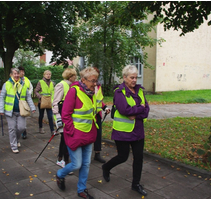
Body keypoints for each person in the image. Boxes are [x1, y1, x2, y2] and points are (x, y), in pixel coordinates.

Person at [102, 65, 150, 196]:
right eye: (131, 77)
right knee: (123, 157)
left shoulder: (139, 91)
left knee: (138, 158)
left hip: (138, 130)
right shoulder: (119, 92)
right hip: (123, 131)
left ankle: (136, 184)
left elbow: (146, 110)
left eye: (136, 77)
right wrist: (139, 108)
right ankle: (106, 167)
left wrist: (136, 112)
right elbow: (124, 110)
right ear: (124, 77)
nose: (134, 80)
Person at [56, 67, 99, 199]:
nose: (95, 84)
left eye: (96, 81)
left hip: (88, 134)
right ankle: (60, 174)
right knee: (77, 164)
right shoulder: (73, 91)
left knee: (86, 164)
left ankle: (81, 189)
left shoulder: (91, 93)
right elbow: (66, 114)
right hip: (75, 135)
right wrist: (71, 132)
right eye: (92, 81)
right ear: (83, 80)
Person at [0, 68, 36, 153]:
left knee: (21, 128)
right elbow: (2, 98)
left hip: (21, 111)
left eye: (17, 74)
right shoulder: (7, 84)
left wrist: (32, 107)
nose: (16, 75)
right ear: (11, 75)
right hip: (10, 111)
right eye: (14, 74)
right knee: (12, 128)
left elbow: (28, 97)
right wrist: (1, 109)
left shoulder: (23, 85)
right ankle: (14, 145)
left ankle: (16, 139)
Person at [52, 68, 77, 168]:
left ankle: (62, 158)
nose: (76, 77)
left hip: (68, 116)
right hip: (61, 116)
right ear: (71, 76)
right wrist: (58, 119)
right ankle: (63, 160)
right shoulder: (61, 85)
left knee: (66, 138)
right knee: (65, 138)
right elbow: (55, 102)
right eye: (75, 75)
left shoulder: (71, 86)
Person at [93, 67, 111, 163]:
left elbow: (100, 101)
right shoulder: (84, 86)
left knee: (98, 135)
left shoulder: (99, 86)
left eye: (97, 74)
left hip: (97, 115)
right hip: (88, 115)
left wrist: (105, 108)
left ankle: (97, 154)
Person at [34, 70, 55, 135]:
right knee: (41, 115)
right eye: (47, 74)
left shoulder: (52, 83)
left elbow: (53, 92)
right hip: (42, 102)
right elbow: (36, 91)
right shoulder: (40, 82)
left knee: (50, 116)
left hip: (49, 102)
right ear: (44, 75)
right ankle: (40, 128)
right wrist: (40, 97)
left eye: (49, 74)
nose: (48, 75)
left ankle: (52, 130)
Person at [18, 66, 33, 139]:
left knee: (23, 116)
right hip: (17, 102)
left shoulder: (26, 80)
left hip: (24, 101)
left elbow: (31, 88)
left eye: (23, 71)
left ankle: (24, 132)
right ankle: (19, 132)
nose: (22, 73)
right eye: (21, 71)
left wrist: (28, 95)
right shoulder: (15, 80)